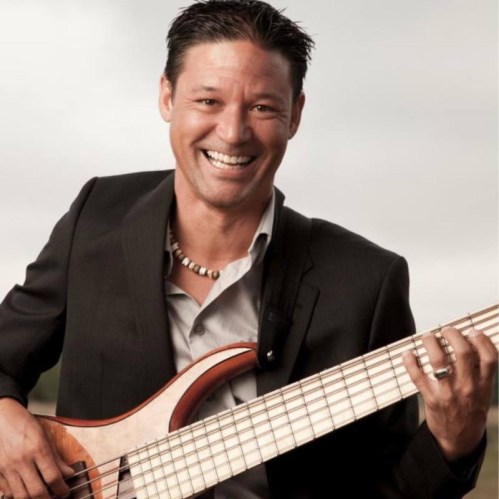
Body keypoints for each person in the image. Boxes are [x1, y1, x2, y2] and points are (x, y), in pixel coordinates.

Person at [0, 0, 497, 497]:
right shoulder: (97, 217)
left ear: (295, 114)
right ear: (167, 97)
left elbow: (391, 488)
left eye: (261, 107)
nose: (233, 133)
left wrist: (453, 442)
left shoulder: (366, 280)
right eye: (208, 101)